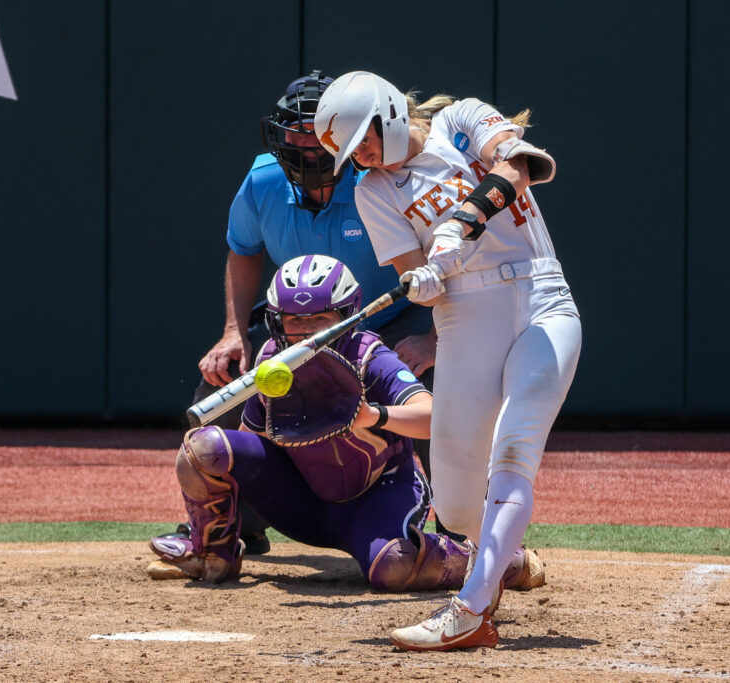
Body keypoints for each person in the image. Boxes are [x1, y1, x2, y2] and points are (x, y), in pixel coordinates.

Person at [313, 72, 582, 650]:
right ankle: (502, 556)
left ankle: (470, 610)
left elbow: (520, 165)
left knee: (514, 450)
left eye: (363, 140)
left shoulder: (460, 122)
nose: (361, 157)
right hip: (464, 321)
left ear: (388, 112)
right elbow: (422, 276)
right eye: (350, 152)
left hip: (541, 298)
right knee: (457, 508)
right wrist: (425, 279)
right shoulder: (373, 190)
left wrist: (463, 224)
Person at [147, 255, 544, 594]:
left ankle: (495, 560)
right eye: (293, 321)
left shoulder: (369, 355)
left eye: (320, 318)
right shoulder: (272, 361)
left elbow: (435, 418)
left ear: (345, 317)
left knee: (393, 567)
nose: (305, 332)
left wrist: (372, 416)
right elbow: (250, 445)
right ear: (276, 322)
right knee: (202, 447)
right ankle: (211, 553)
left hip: (377, 494)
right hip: (302, 504)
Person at [192, 70, 452, 552]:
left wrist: (437, 339)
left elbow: (441, 265)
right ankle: (229, 530)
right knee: (224, 385)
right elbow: (243, 248)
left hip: (393, 318)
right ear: (280, 135)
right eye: (298, 132)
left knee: (445, 390)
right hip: (299, 328)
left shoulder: (379, 179)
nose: (309, 143)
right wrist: (233, 332)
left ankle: (458, 532)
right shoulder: (263, 180)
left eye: (322, 132)